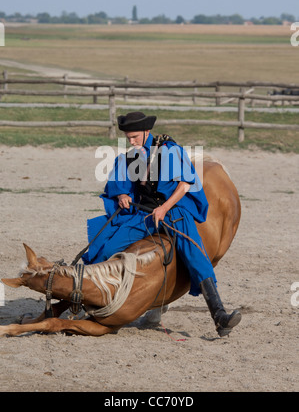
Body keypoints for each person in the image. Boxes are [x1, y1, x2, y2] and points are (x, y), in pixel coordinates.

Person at [83, 111, 241, 337]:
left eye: (135, 137)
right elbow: (120, 180)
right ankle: (82, 299)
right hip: (144, 214)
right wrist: (122, 196)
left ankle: (219, 315)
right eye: (128, 138)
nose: (131, 141)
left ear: (147, 132)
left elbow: (186, 184)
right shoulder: (130, 156)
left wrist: (165, 208)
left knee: (196, 255)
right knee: (107, 247)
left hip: (173, 211)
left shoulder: (170, 150)